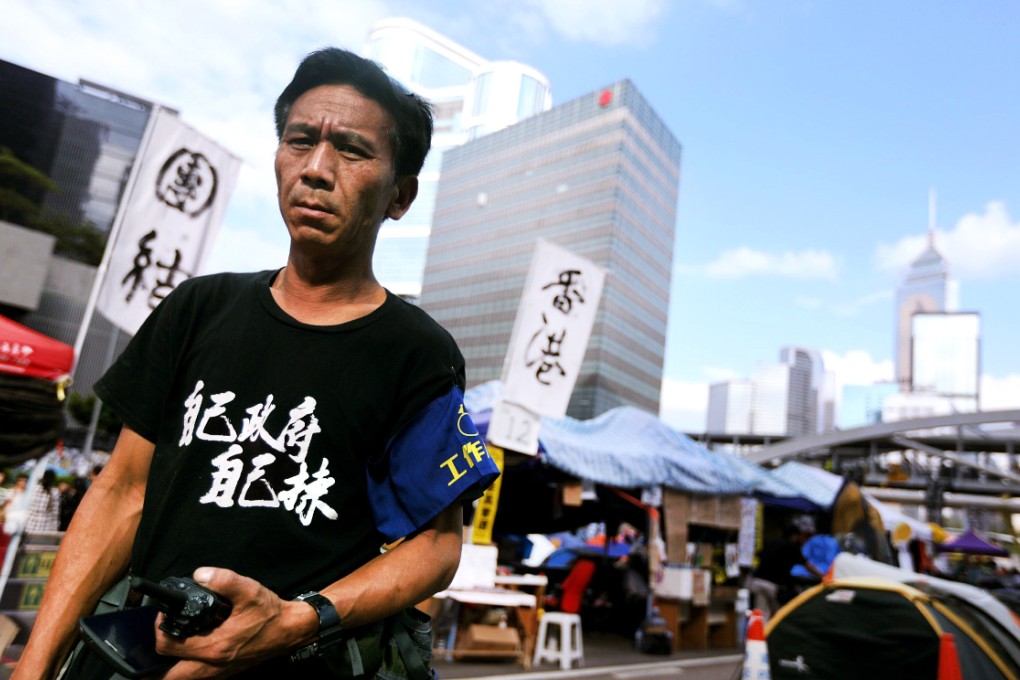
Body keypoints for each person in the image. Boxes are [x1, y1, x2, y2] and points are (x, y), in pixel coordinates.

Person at [14, 47, 500, 679]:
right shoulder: (198, 307)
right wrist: (33, 664)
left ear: (400, 195)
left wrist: (296, 621)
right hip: (138, 655)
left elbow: (435, 546)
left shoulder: (418, 353)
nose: (317, 169)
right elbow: (122, 490)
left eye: (352, 150)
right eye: (300, 140)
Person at [24, 468, 61, 534]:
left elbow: (27, 505)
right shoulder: (55, 492)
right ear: (53, 479)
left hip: (30, 523)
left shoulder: (34, 488)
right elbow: (55, 512)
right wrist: (55, 528)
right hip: (45, 525)